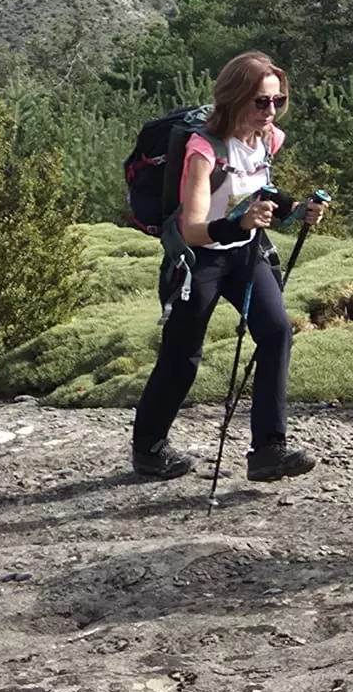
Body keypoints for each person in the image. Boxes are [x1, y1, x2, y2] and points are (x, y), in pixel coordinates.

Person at [131, 51, 327, 482]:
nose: (270, 111)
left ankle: (268, 451)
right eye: (261, 102)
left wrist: (298, 209)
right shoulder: (204, 150)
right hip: (199, 260)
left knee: (276, 333)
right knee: (183, 356)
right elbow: (194, 228)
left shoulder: (269, 139)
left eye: (277, 100)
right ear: (234, 97)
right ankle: (149, 448)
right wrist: (240, 221)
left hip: (246, 253)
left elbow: (261, 191)